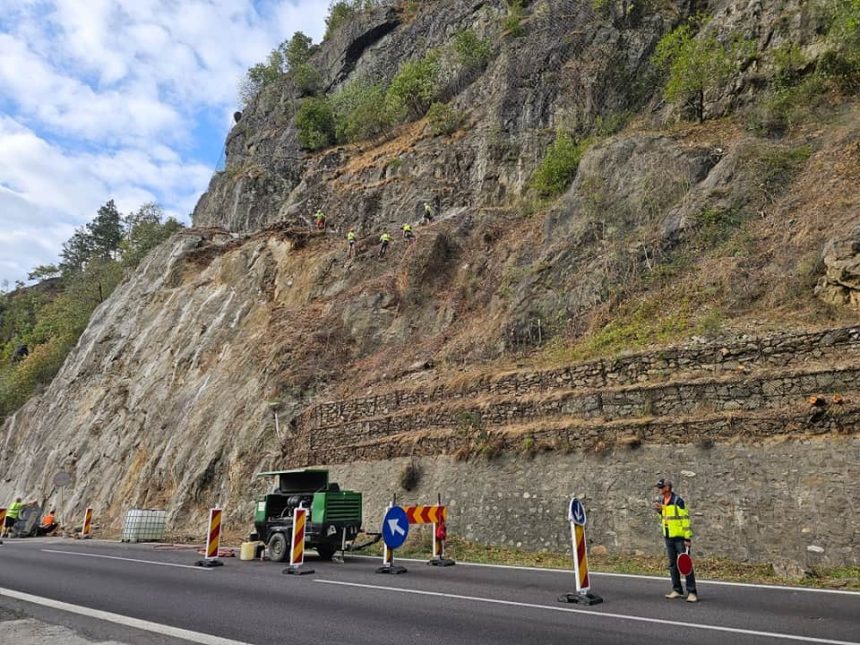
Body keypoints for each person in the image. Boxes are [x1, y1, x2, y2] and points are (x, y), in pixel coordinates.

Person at [654, 478, 697, 602]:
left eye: (661, 487)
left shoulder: (678, 501)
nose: (659, 489)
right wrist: (660, 511)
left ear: (667, 488)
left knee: (686, 564)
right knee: (673, 565)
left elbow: (685, 520)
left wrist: (687, 538)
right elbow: (666, 518)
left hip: (680, 538)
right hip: (668, 536)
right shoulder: (662, 501)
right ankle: (677, 589)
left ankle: (692, 592)